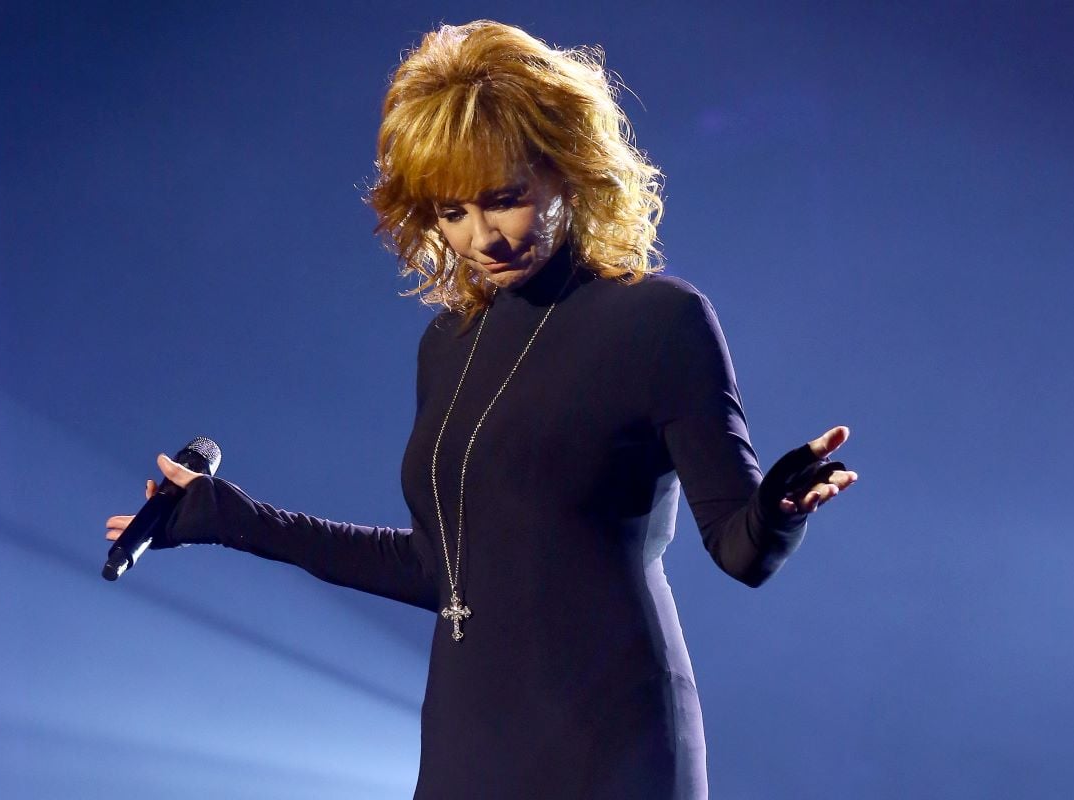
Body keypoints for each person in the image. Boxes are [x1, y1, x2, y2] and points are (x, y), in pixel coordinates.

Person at [105, 20, 858, 799]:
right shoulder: (446, 346)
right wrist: (231, 518)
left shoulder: (658, 320)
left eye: (504, 200)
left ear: (568, 168)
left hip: (612, 739)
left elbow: (741, 550)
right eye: (450, 212)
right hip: (468, 741)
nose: (481, 238)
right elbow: (443, 568)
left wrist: (777, 507)